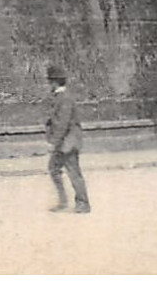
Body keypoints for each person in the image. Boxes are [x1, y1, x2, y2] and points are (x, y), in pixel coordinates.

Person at [44, 64, 90, 214]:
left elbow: (62, 123)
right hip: (63, 142)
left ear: (54, 82)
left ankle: (83, 203)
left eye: (50, 82)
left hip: (68, 142)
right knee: (54, 169)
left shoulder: (64, 98)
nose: (49, 85)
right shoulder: (60, 97)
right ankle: (63, 201)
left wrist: (53, 142)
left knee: (73, 172)